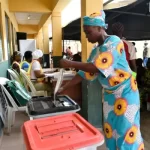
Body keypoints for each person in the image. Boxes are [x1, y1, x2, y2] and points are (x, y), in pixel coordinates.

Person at [59, 11, 144, 150]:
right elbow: (85, 72)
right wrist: (65, 87)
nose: (86, 36)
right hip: (110, 94)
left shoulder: (114, 42)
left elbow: (97, 67)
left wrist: (70, 63)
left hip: (126, 93)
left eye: (88, 32)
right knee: (110, 129)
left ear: (100, 28)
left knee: (126, 130)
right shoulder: (96, 49)